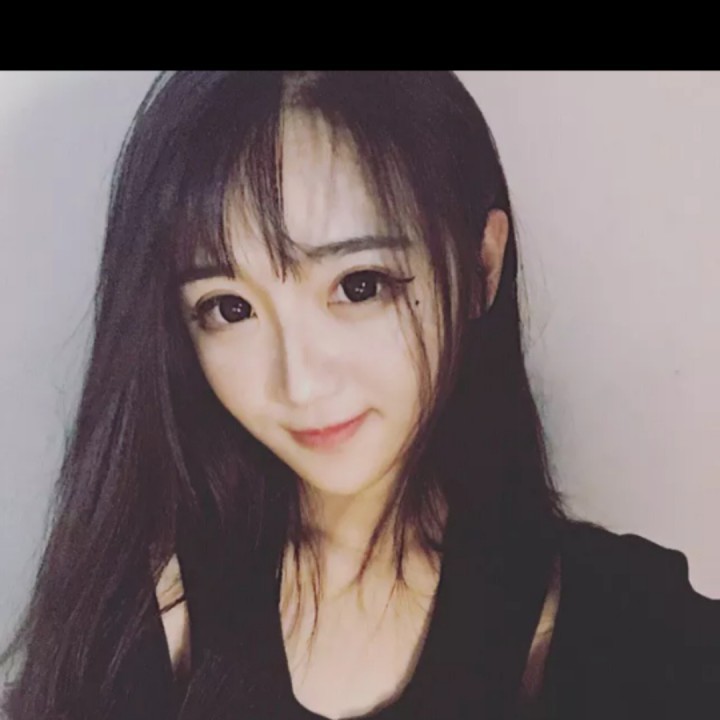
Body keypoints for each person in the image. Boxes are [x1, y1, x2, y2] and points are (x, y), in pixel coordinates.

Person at [1, 71, 718, 720]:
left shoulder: (628, 626)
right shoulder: (139, 619)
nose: (300, 383)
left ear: (481, 267)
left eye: (359, 285)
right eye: (229, 308)